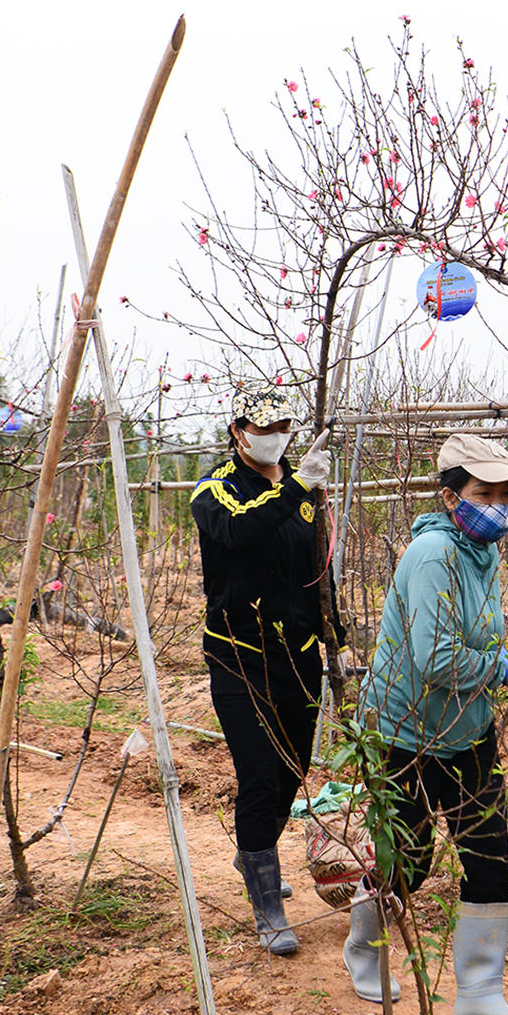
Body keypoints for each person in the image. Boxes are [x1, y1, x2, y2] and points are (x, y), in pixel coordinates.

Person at [346, 432, 508, 1015]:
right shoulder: (434, 554)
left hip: (466, 728)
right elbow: (434, 658)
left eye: (507, 494)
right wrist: (499, 669)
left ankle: (480, 994)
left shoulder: (480, 555)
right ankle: (366, 950)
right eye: (486, 492)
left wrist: (495, 659)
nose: (500, 504)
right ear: (451, 496)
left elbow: (470, 635)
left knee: (488, 858)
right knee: (408, 857)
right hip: (405, 731)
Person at [191, 387, 334, 955]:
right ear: (238, 430)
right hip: (238, 653)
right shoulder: (215, 490)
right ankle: (268, 907)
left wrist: (333, 632)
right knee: (260, 773)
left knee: (295, 768)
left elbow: (314, 570)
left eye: (284, 423)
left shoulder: (302, 493)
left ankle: (257, 854)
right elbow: (241, 530)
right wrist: (298, 485)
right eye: (264, 424)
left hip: (298, 654)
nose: (275, 433)